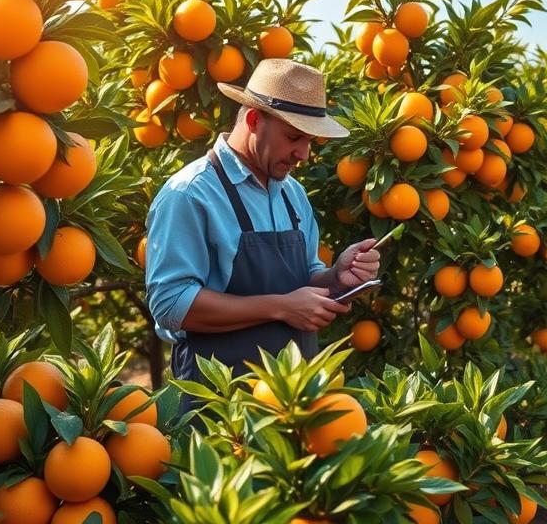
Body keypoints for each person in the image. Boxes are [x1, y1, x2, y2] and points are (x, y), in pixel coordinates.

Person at [145, 58, 382, 384]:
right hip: (220, 401)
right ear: (254, 120)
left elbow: (306, 279)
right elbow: (171, 304)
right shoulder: (190, 194)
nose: (303, 154)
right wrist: (281, 307)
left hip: (292, 397)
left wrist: (336, 277)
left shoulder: (293, 194)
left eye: (309, 141)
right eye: (293, 137)